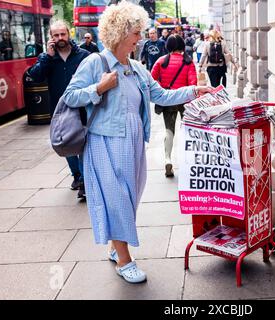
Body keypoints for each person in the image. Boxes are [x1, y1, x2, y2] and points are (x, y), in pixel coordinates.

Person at [62, 1, 212, 284]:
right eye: (136, 32)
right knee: (117, 199)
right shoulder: (96, 63)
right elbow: (70, 97)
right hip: (105, 143)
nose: (140, 38)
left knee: (129, 199)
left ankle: (113, 245)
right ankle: (124, 260)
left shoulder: (137, 68)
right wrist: (98, 88)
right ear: (120, 32)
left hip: (132, 143)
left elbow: (163, 96)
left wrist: (195, 90)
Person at [29, 19, 90, 198]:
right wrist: (47, 57)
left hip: (83, 107)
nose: (60, 38)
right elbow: (36, 76)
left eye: (63, 34)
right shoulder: (47, 58)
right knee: (67, 144)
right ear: (51, 38)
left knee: (85, 145)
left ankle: (85, 181)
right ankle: (78, 176)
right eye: (56, 35)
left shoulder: (83, 55)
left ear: (69, 34)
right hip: (60, 110)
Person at [151, 34, 197, 177]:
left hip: (168, 100)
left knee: (169, 130)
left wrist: (164, 91)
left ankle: (167, 159)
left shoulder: (160, 61)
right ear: (182, 46)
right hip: (185, 101)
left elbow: (151, 82)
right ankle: (187, 161)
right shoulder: (189, 62)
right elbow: (193, 84)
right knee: (187, 130)